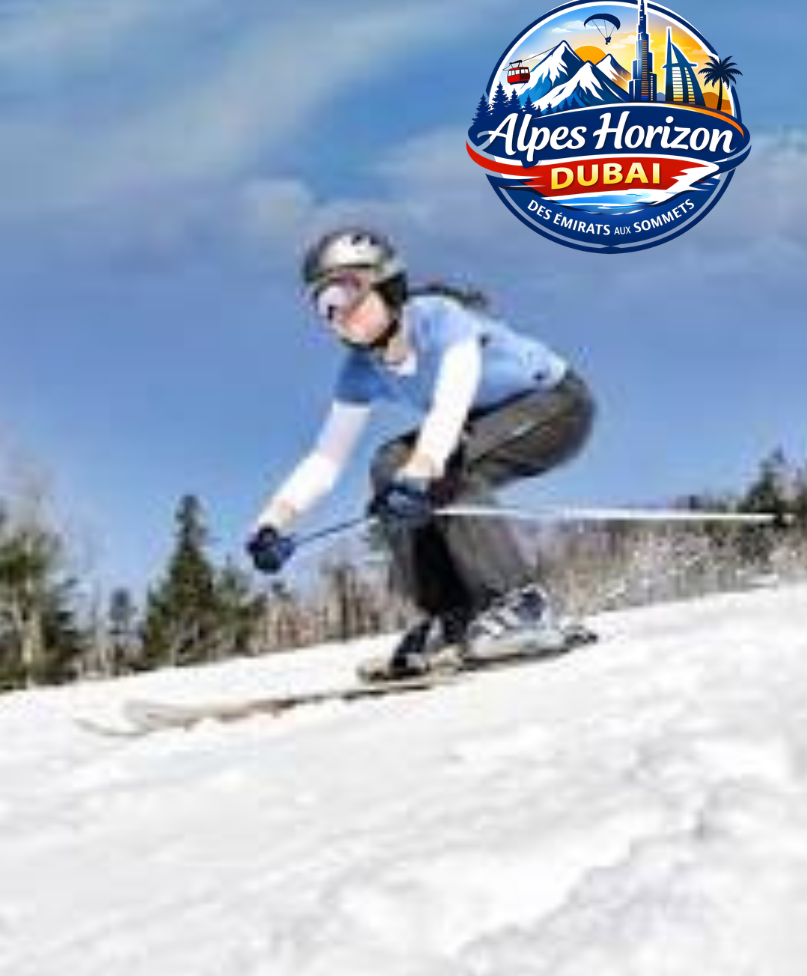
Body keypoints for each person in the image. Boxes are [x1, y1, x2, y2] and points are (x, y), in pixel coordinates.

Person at [246, 227, 596, 678]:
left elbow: (451, 405)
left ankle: (519, 605)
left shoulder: (440, 320)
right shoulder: (360, 369)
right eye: (325, 305)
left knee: (443, 470)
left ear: (386, 282)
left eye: (347, 291)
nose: (340, 312)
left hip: (556, 406)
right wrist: (274, 520)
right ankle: (455, 616)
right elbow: (326, 459)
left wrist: (425, 469)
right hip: (475, 427)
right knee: (389, 464)